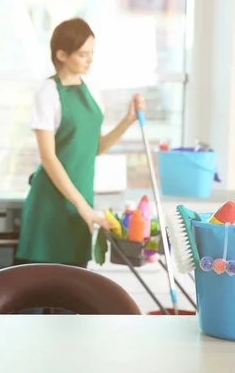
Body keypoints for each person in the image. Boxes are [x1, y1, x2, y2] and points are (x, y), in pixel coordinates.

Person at [15, 18, 146, 269]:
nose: (90, 60)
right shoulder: (47, 93)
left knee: (72, 295)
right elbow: (48, 157)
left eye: (92, 53)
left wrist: (128, 120)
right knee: (38, 293)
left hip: (81, 202)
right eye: (83, 54)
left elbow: (95, 148)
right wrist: (84, 207)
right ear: (61, 54)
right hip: (51, 203)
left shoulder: (92, 90)